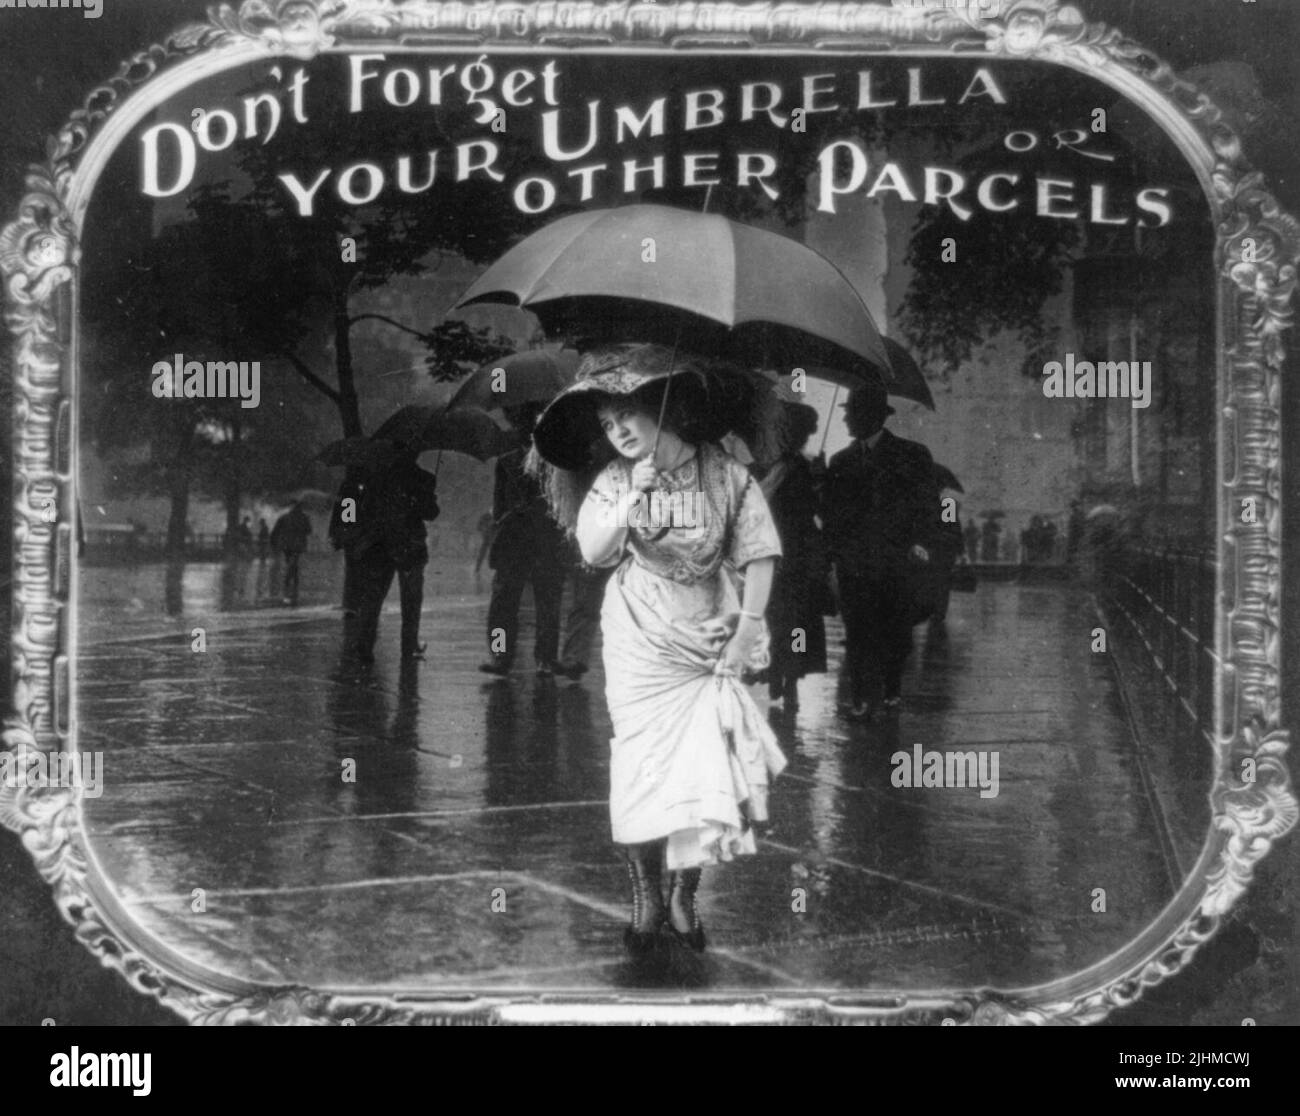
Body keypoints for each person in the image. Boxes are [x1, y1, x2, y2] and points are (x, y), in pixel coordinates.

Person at [533, 343, 787, 957]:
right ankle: (646, 895)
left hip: (706, 632)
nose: (617, 431)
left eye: (626, 416)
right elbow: (593, 551)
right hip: (640, 638)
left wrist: (750, 623)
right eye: (606, 424)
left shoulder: (727, 474)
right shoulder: (618, 478)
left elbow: (758, 550)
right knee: (643, 770)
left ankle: (683, 894)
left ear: (661, 409)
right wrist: (630, 495)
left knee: (700, 771)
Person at [823, 379, 943, 721]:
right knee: (857, 632)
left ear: (872, 416)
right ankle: (861, 699)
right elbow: (832, 514)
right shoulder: (839, 461)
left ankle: (891, 691)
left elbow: (928, 507)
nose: (846, 421)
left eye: (852, 414)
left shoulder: (913, 455)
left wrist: (919, 547)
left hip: (896, 563)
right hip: (855, 565)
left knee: (895, 632)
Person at [479, 405, 569, 677]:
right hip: (535, 537)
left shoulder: (523, 461)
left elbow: (500, 504)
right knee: (539, 601)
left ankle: (505, 657)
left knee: (511, 602)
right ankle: (538, 658)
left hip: (524, 537)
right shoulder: (546, 459)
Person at [754, 401, 830, 712]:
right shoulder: (769, 468)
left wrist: (820, 481)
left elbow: (819, 511)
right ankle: (780, 672)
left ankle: (790, 678)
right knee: (780, 620)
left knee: (794, 622)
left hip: (795, 555)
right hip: (776, 553)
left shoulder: (800, 468)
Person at [338, 454, 440, 664]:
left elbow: (364, 509)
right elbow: (431, 512)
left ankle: (364, 646)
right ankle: (409, 646)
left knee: (373, 598)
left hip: (381, 546)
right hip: (410, 547)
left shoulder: (376, 478)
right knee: (411, 601)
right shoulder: (423, 478)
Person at [270, 501, 313, 605]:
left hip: (287, 545)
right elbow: (309, 530)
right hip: (297, 546)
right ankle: (291, 585)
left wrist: (274, 542)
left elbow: (275, 531)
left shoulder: (284, 517)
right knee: (294, 565)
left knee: (291, 563)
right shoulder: (304, 518)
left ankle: (289, 585)